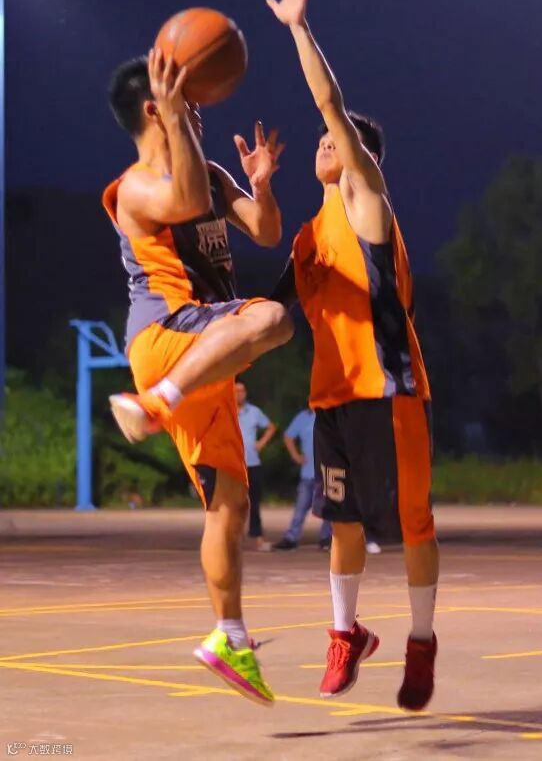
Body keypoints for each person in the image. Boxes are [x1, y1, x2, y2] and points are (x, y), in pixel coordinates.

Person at [267, 0, 439, 711]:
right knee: (340, 523)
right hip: (333, 399)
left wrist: (299, 28)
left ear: (358, 155)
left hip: (388, 386)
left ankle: (421, 643)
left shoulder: (366, 200)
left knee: (411, 524)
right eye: (321, 142)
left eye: (331, 142)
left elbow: (330, 104)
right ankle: (346, 634)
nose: (322, 145)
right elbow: (271, 312)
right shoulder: (309, 235)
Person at [103, 48, 293, 705]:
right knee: (273, 318)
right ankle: (155, 402)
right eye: (187, 100)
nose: (201, 109)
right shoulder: (136, 186)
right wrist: (176, 114)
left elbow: (266, 231)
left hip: (205, 350)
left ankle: (228, 638)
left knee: (230, 503)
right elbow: (181, 199)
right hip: (169, 335)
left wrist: (260, 185)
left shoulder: (210, 174)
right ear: (155, 109)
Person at [273, 407, 332, 551]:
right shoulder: (303, 417)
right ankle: (291, 538)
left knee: (329, 508)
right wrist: (295, 456)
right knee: (300, 507)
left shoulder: (331, 414)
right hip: (308, 473)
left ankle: (326, 538)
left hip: (327, 472)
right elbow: (288, 436)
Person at [235, 381, 276, 551]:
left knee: (254, 503)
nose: (239, 394)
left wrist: (261, 443)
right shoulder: (226, 411)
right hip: (233, 465)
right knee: (234, 504)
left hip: (252, 462)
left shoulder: (254, 411)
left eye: (242, 390)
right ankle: (233, 538)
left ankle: (257, 537)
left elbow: (271, 427)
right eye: (236, 391)